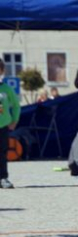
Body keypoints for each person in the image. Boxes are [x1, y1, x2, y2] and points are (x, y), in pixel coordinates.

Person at [0, 59, 21, 189]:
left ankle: (3, 177)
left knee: (2, 152)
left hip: (2, 126)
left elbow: (16, 105)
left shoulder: (6, 89)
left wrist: (14, 120)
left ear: (2, 71)